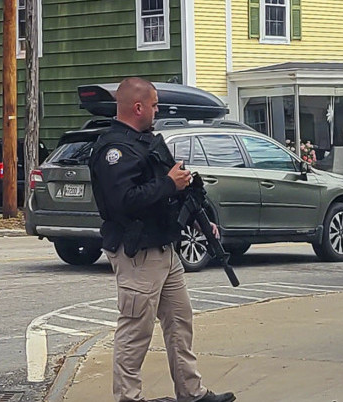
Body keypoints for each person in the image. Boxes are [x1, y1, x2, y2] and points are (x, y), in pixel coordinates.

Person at [88, 77, 236, 402]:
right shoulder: (114, 149)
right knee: (135, 331)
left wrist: (203, 220)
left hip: (165, 248)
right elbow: (123, 201)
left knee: (180, 322)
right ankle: (129, 398)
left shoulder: (147, 142)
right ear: (138, 107)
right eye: (154, 105)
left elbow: (176, 187)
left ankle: (191, 392)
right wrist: (169, 184)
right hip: (137, 251)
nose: (157, 111)